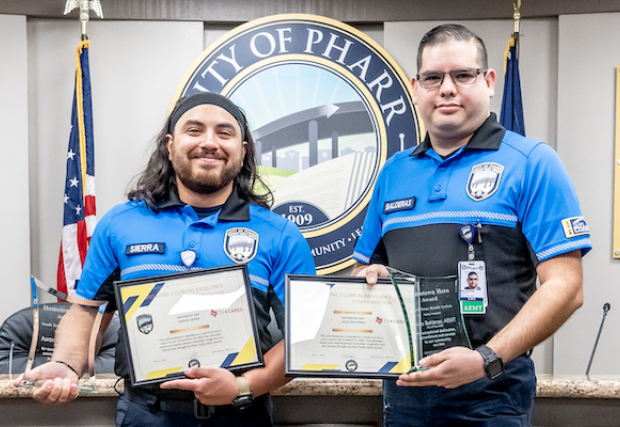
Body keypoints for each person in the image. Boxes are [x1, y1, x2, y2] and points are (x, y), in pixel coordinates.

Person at [16, 92, 316, 427]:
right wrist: (66, 365)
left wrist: (241, 386)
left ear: (242, 150)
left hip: (241, 414)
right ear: (170, 146)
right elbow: (86, 311)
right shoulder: (120, 224)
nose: (210, 142)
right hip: (146, 414)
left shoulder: (281, 234)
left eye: (225, 133)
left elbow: (304, 339)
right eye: (195, 130)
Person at [352, 24, 591, 426]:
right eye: (433, 77)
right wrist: (367, 277)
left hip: (492, 395)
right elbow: (361, 271)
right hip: (404, 392)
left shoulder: (532, 162)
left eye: (463, 75)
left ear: (489, 81)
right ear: (415, 87)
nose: (447, 88)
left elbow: (567, 288)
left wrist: (485, 359)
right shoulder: (393, 173)